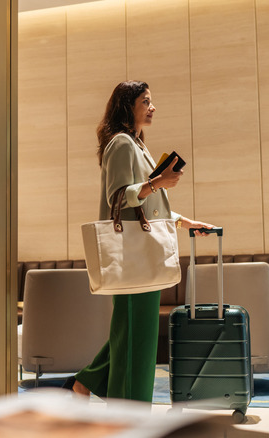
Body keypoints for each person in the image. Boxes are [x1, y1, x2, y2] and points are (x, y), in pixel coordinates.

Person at [66, 80, 215, 402]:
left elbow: (149, 207)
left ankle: (87, 384)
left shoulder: (136, 144)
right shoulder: (121, 143)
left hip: (142, 252)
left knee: (134, 331)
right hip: (134, 252)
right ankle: (128, 411)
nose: (152, 107)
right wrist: (158, 182)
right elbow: (119, 197)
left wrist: (184, 222)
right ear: (127, 106)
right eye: (145, 101)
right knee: (136, 334)